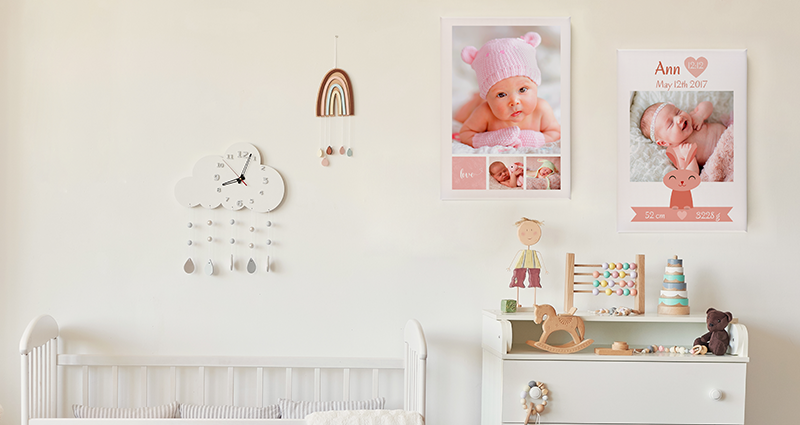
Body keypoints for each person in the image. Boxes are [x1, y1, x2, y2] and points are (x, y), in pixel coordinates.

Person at [458, 32, 561, 148]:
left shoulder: (542, 109)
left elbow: (555, 133)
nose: (514, 101)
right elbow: (466, 134)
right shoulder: (485, 112)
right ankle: (475, 98)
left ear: (536, 85)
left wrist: (530, 139)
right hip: (479, 103)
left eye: (522, 89)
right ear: (487, 97)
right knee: (461, 116)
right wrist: (493, 139)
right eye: (501, 94)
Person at [639, 101, 726, 174]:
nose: (679, 118)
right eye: (671, 124)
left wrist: (700, 115)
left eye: (678, 112)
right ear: (664, 143)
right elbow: (690, 175)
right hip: (725, 157)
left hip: (729, 133)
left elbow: (708, 105)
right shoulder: (678, 153)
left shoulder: (692, 119)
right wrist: (690, 158)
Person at [507, 218, 547, 306]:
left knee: (534, 276)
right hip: (522, 263)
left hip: (534, 263)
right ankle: (518, 302)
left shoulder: (534, 253)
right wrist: (510, 266)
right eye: (526, 231)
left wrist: (545, 268)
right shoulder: (523, 252)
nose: (529, 235)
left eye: (532, 231)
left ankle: (534, 303)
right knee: (519, 275)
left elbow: (540, 256)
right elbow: (516, 256)